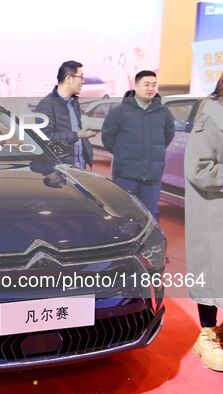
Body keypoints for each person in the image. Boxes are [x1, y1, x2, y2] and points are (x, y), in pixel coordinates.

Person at [184, 74, 223, 371]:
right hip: (214, 212)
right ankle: (207, 332)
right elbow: (199, 169)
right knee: (210, 271)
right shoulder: (212, 115)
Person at [101, 70, 175, 220]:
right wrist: (123, 153)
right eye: (146, 84)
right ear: (135, 86)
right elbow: (108, 137)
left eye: (154, 85)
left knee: (150, 215)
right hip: (126, 175)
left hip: (152, 176)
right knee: (124, 214)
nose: (151, 88)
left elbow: (168, 136)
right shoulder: (119, 112)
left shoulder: (164, 113)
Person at [35, 60, 96, 170]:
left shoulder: (74, 103)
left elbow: (78, 131)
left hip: (80, 168)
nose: (83, 82)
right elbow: (45, 138)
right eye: (81, 77)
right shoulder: (46, 105)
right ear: (69, 78)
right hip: (60, 172)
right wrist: (77, 135)